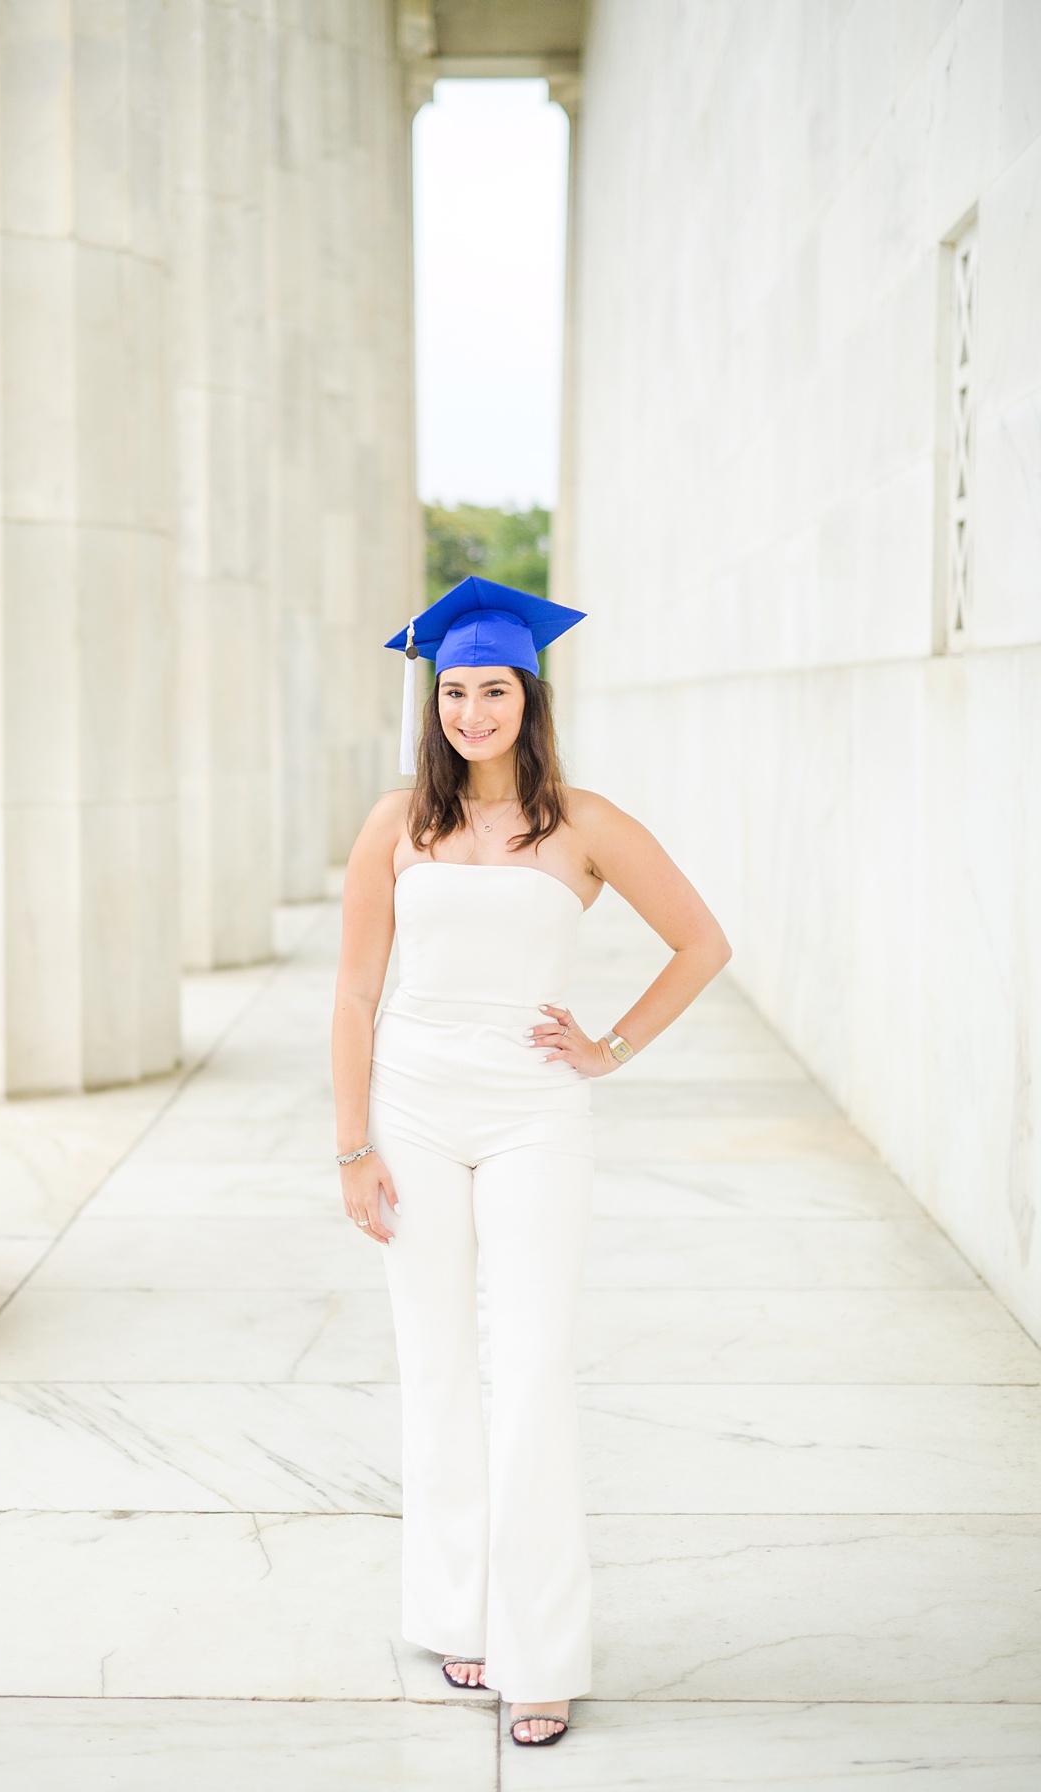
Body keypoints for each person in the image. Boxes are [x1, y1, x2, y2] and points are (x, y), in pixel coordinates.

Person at [329, 578, 729, 1748]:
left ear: (529, 697)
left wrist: (610, 1047)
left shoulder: (585, 824)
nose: (471, 710)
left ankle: (540, 1651)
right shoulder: (395, 821)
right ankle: (458, 1609)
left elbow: (702, 942)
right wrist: (352, 1144)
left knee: (535, 1367)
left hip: (532, 1114)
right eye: (452, 690)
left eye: (493, 689)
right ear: (434, 700)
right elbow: (355, 993)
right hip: (410, 1108)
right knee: (438, 1361)